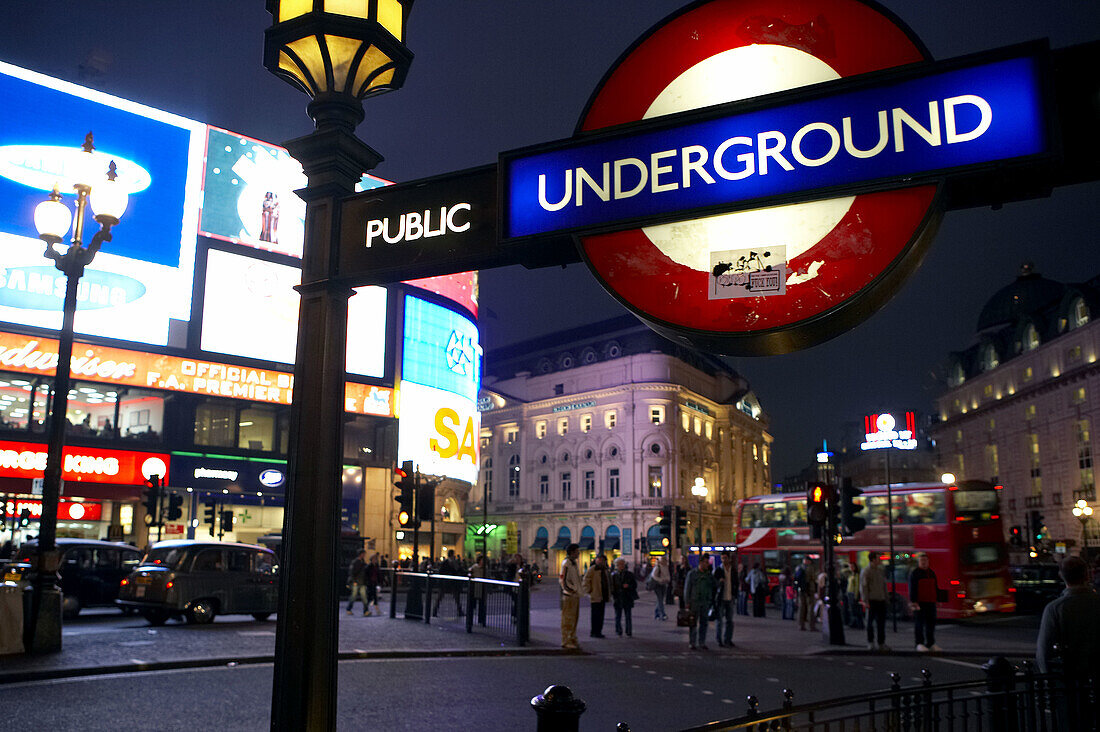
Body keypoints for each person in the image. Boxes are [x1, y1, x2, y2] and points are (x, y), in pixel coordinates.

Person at [908, 553, 942, 652]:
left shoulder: (931, 573)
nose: (924, 563)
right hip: (920, 603)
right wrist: (914, 601)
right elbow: (912, 588)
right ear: (919, 562)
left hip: (930, 602)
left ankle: (930, 643)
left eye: (925, 561)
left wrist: (937, 599)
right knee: (919, 624)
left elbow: (935, 587)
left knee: (930, 624)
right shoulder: (915, 573)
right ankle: (919, 643)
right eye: (922, 561)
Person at [684, 554, 717, 650]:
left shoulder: (708, 575)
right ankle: (692, 642)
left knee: (704, 623)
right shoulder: (692, 573)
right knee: (693, 623)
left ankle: (702, 642)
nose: (707, 564)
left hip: (705, 601)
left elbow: (714, 586)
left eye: (708, 563)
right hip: (695, 601)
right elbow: (687, 588)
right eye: (706, 562)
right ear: (701, 563)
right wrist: (687, 602)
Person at [860, 554, 889, 651]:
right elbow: (864, 587)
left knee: (881, 623)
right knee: (870, 623)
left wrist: (886, 598)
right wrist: (865, 600)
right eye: (878, 559)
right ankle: (871, 642)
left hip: (881, 599)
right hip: (872, 600)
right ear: (873, 560)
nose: (879, 560)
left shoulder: (880, 571)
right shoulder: (866, 571)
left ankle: (881, 643)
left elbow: (884, 586)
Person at [582, 553, 611, 638]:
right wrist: (589, 591)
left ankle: (599, 631)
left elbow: (608, 582)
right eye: (598, 559)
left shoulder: (605, 570)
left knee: (601, 615)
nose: (600, 561)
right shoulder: (592, 569)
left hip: (603, 595)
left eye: (602, 560)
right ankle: (594, 631)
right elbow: (586, 580)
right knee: (595, 615)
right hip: (595, 595)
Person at [559, 544, 582, 649]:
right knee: (568, 619)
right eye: (577, 551)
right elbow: (563, 580)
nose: (579, 553)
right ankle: (566, 640)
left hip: (574, 595)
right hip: (569, 595)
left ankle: (572, 638)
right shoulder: (567, 564)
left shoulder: (574, 563)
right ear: (572, 552)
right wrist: (571, 590)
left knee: (574, 618)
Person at [712, 552, 736, 646]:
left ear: (729, 559)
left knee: (730, 620)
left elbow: (735, 582)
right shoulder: (718, 570)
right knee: (720, 620)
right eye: (722, 558)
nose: (724, 560)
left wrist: (734, 594)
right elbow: (713, 584)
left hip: (730, 597)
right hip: (721, 598)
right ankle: (719, 640)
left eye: (725, 558)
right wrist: (719, 582)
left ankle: (728, 639)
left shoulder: (733, 570)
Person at [611, 557, 639, 637]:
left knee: (628, 615)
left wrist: (628, 586)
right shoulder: (614, 575)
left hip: (627, 597)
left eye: (622, 564)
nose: (621, 566)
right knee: (618, 615)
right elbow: (612, 586)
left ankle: (628, 630)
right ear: (616, 566)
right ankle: (618, 630)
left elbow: (634, 585)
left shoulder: (629, 574)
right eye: (619, 564)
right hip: (618, 597)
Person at [432, 549, 463, 617]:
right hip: (450, 582)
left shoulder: (445, 562)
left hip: (446, 582)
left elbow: (441, 571)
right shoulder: (453, 562)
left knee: (440, 597)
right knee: (455, 597)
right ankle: (460, 611)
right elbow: (458, 570)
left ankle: (435, 611)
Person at [346, 549, 371, 616]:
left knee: (363, 597)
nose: (364, 555)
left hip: (361, 582)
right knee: (354, 596)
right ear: (361, 554)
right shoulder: (356, 562)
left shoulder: (361, 562)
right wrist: (354, 581)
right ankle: (349, 609)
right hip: (357, 582)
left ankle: (366, 610)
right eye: (364, 554)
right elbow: (352, 572)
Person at [796, 557, 817, 631]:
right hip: (810, 589)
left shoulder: (798, 567)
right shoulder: (811, 568)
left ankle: (800, 625)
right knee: (811, 607)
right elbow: (814, 578)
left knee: (801, 608)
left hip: (801, 590)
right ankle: (811, 626)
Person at [648, 555, 671, 620]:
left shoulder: (666, 567)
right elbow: (653, 576)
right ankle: (663, 614)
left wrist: (667, 579)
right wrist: (660, 580)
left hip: (664, 584)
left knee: (660, 599)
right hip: (658, 585)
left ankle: (657, 613)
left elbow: (668, 575)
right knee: (660, 599)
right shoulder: (658, 567)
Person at [846, 561, 864, 629]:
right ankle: (854, 622)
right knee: (852, 609)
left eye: (852, 566)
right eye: (850, 566)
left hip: (853, 594)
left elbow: (857, 586)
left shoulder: (856, 575)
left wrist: (856, 595)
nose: (851, 568)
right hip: (850, 593)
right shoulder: (851, 574)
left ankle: (858, 623)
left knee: (856, 609)